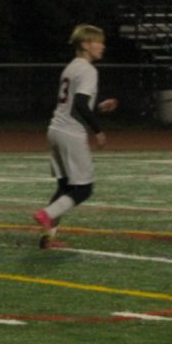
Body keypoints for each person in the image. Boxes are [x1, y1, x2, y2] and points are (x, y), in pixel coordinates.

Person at [32, 24, 118, 248]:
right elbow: (79, 103)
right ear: (85, 44)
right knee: (83, 189)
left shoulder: (72, 67)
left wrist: (97, 107)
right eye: (98, 41)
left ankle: (48, 238)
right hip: (71, 133)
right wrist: (98, 130)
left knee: (65, 187)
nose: (102, 46)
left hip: (55, 130)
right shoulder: (89, 70)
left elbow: (75, 104)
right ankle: (47, 214)